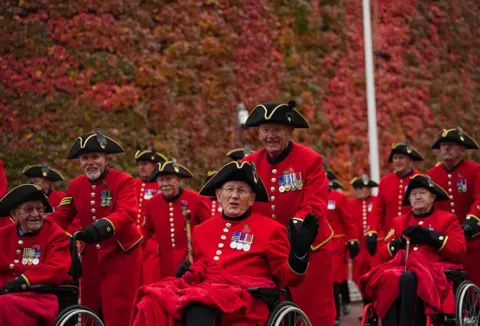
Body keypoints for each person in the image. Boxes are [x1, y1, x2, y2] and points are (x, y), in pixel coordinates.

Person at [131, 161, 319, 326]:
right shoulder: (201, 230)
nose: (234, 196)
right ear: (219, 195)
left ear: (252, 198)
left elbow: (289, 278)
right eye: (229, 189)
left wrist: (299, 254)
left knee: (199, 303)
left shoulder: (271, 229)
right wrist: (188, 270)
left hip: (248, 302)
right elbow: (196, 271)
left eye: (242, 191)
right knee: (152, 300)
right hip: (205, 296)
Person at [243, 100, 335, 325]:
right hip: (267, 251)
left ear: (290, 131)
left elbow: (315, 204)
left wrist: (295, 230)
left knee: (314, 312)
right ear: (258, 133)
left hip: (308, 248)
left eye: (277, 130)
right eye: (265, 130)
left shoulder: (310, 160)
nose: (270, 136)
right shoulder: (249, 164)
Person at [48, 129, 142, 326]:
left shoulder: (124, 180)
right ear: (79, 162)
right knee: (90, 304)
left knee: (118, 307)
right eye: (85, 158)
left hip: (121, 253)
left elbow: (127, 213)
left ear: (106, 159)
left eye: (95, 157)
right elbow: (61, 215)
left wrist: (100, 228)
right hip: (91, 254)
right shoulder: (76, 185)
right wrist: (36, 227)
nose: (90, 162)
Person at [360, 174, 466, 326]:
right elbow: (383, 254)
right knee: (388, 276)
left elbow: (458, 250)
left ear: (433, 197)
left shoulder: (448, 219)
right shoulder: (399, 222)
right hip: (404, 266)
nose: (417, 197)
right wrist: (399, 242)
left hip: (434, 269)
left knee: (408, 278)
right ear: (409, 199)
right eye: (413, 194)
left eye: (422, 193)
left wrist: (431, 237)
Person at [0, 184, 71, 326]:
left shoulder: (55, 234)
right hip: (5, 292)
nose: (35, 214)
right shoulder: (3, 234)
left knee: (4, 304)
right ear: (14, 214)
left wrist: (24, 280)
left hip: (40, 296)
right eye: (28, 209)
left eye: (39, 209)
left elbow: (56, 267)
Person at [427, 127, 480, 286]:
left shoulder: (475, 170)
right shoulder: (432, 175)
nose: (447, 148)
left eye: (452, 144)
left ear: (462, 149)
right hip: (444, 240)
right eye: (443, 145)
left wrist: (472, 219)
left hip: (472, 238)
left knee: (475, 278)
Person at [142, 160, 210, 280]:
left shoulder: (195, 199)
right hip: (164, 262)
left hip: (190, 259)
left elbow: (208, 227)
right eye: (161, 180)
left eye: (169, 179)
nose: (164, 184)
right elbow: (145, 231)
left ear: (178, 179)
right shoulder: (151, 204)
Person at [369, 143, 424, 258]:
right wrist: (372, 232)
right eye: (395, 158)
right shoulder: (385, 182)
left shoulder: (421, 179)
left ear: (410, 160)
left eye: (401, 158)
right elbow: (377, 210)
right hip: (392, 236)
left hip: (415, 234)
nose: (397, 161)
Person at [327, 175, 359, 325]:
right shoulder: (311, 197)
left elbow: (348, 220)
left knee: (334, 280)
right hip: (317, 245)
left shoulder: (338, 198)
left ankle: (336, 315)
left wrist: (352, 239)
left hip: (336, 244)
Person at [134, 149, 166, 285]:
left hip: (153, 242)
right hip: (133, 241)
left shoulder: (162, 186)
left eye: (146, 164)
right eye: (140, 164)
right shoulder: (132, 185)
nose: (142, 167)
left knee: (151, 279)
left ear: (155, 166)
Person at [349, 175, 378, 315]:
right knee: (359, 276)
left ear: (369, 189)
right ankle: (367, 306)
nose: (359, 190)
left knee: (375, 275)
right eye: (357, 188)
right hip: (359, 247)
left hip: (374, 247)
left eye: (362, 188)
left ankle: (376, 305)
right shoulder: (350, 204)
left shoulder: (377, 202)